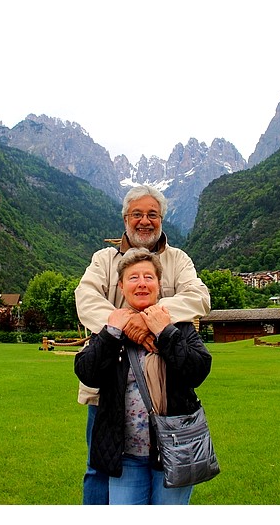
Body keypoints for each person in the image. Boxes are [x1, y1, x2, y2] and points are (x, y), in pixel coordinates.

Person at [75, 185, 211, 504]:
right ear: (125, 218)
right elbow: (85, 298)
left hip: (166, 392)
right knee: (99, 468)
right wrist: (124, 322)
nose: (144, 221)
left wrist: (149, 317)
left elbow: (199, 297)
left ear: (162, 219)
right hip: (107, 393)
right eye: (137, 214)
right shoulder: (103, 259)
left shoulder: (178, 259)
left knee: (171, 465)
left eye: (152, 214)